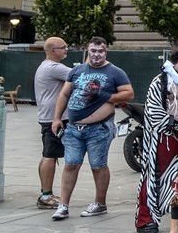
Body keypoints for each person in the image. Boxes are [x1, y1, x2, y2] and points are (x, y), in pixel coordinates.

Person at [50, 37, 134, 220]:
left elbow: (129, 93)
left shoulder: (115, 72)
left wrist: (106, 96)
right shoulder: (77, 70)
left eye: (100, 51)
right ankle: (63, 205)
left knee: (98, 165)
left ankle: (100, 203)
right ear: (88, 51)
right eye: (93, 51)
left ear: (106, 52)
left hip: (99, 129)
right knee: (71, 164)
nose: (96, 54)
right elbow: (65, 93)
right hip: (73, 129)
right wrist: (57, 118)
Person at [136, 46, 178, 233]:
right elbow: (152, 109)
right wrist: (173, 124)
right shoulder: (160, 82)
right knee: (155, 175)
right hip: (165, 137)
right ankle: (145, 219)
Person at [33, 36, 71, 209]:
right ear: (53, 51)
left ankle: (45, 191)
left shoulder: (46, 66)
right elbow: (77, 75)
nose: (66, 49)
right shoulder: (54, 67)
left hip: (46, 116)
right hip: (53, 118)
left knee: (47, 154)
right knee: (50, 155)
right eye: (63, 47)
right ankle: (46, 196)